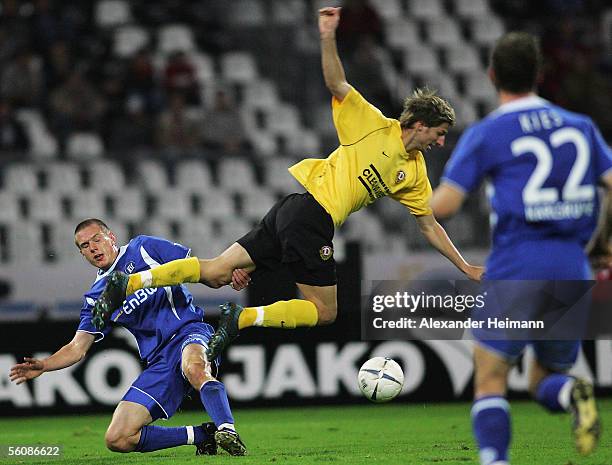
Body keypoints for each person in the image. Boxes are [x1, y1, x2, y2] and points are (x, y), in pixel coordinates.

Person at [92, 6, 483, 361]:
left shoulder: (414, 173)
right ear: (419, 124)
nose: (441, 141)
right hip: (311, 217)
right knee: (325, 311)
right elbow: (337, 84)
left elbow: (429, 224)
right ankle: (241, 319)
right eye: (440, 132)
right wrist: (327, 37)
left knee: (215, 271)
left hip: (291, 211)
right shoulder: (373, 125)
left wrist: (463, 265)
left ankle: (130, 282)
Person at [430, 32, 611, 464]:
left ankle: (496, 460)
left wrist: (406, 194)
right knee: (544, 379)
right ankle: (573, 393)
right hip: (572, 263)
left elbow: (445, 207)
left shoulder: (488, 132)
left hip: (519, 260)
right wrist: (603, 241)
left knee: (490, 377)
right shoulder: (580, 126)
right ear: (541, 75)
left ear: (492, 75)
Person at [9, 219, 246, 456]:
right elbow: (77, 347)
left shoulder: (144, 248)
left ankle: (228, 429)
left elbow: (201, 271)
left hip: (189, 332)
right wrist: (45, 365)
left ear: (111, 238)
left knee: (194, 367)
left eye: (96, 240)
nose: (92, 248)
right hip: (160, 362)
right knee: (118, 438)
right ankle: (204, 435)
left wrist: (230, 274)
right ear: (82, 254)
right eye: (84, 246)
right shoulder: (96, 297)